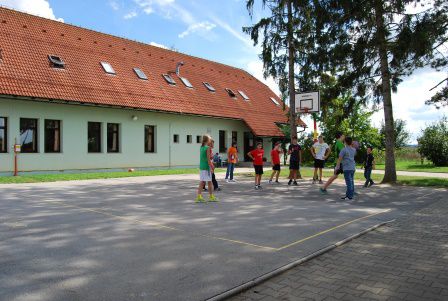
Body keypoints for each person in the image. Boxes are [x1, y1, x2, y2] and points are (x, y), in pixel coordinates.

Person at [196, 135, 218, 203]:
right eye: (210, 139)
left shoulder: (201, 147)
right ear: (208, 140)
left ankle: (199, 196)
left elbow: (205, 158)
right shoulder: (208, 148)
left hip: (201, 167)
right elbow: (208, 160)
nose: (210, 140)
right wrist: (212, 166)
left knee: (202, 182)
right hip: (206, 167)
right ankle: (211, 197)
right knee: (209, 182)